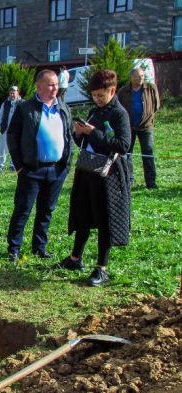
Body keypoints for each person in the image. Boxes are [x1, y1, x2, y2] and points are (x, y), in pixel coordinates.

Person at [57, 69, 132, 287]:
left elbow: (123, 144)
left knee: (103, 219)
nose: (97, 99)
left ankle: (102, 267)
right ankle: (75, 258)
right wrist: (79, 134)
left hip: (107, 176)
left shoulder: (119, 114)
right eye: (94, 95)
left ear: (113, 90)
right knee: (82, 215)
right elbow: (83, 143)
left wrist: (93, 133)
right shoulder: (93, 112)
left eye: (101, 95)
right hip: (86, 172)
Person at [6, 69, 73, 263]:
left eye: (56, 85)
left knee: (46, 210)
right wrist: (19, 165)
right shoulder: (25, 108)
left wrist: (66, 164)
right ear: (39, 86)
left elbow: (68, 136)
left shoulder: (63, 108)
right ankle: (14, 248)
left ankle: (39, 247)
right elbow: (12, 136)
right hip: (31, 169)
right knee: (23, 209)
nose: (55, 88)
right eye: (51, 84)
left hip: (56, 170)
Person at [117, 66, 161, 189]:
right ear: (131, 78)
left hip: (146, 127)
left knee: (148, 154)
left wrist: (149, 118)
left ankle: (151, 183)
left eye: (142, 76)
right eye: (138, 76)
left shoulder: (151, 88)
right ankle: (128, 181)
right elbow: (118, 109)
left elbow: (156, 105)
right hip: (128, 127)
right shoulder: (123, 91)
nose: (141, 78)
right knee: (127, 154)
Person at [0, 86, 22, 172]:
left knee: (15, 147)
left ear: (18, 93)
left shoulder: (23, 103)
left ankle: (13, 164)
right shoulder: (5, 103)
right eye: (11, 92)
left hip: (17, 130)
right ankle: (0, 165)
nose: (12, 94)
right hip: (5, 129)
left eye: (14, 92)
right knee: (2, 147)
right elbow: (1, 115)